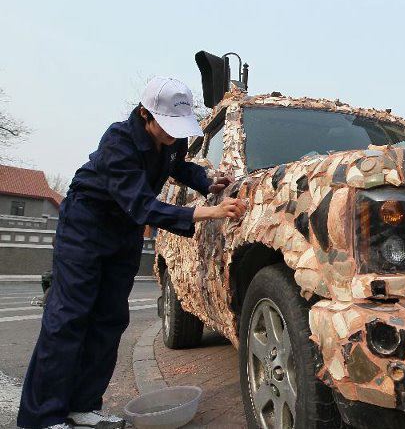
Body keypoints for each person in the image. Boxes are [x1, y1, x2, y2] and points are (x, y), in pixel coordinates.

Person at [17, 77, 242, 429]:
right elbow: (142, 204)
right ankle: (43, 417)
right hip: (86, 226)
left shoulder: (172, 139)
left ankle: (83, 405)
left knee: (110, 318)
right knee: (69, 317)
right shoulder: (118, 141)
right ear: (144, 114)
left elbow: (178, 166)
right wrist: (207, 212)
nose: (173, 135)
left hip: (124, 232)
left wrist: (206, 182)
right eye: (166, 127)